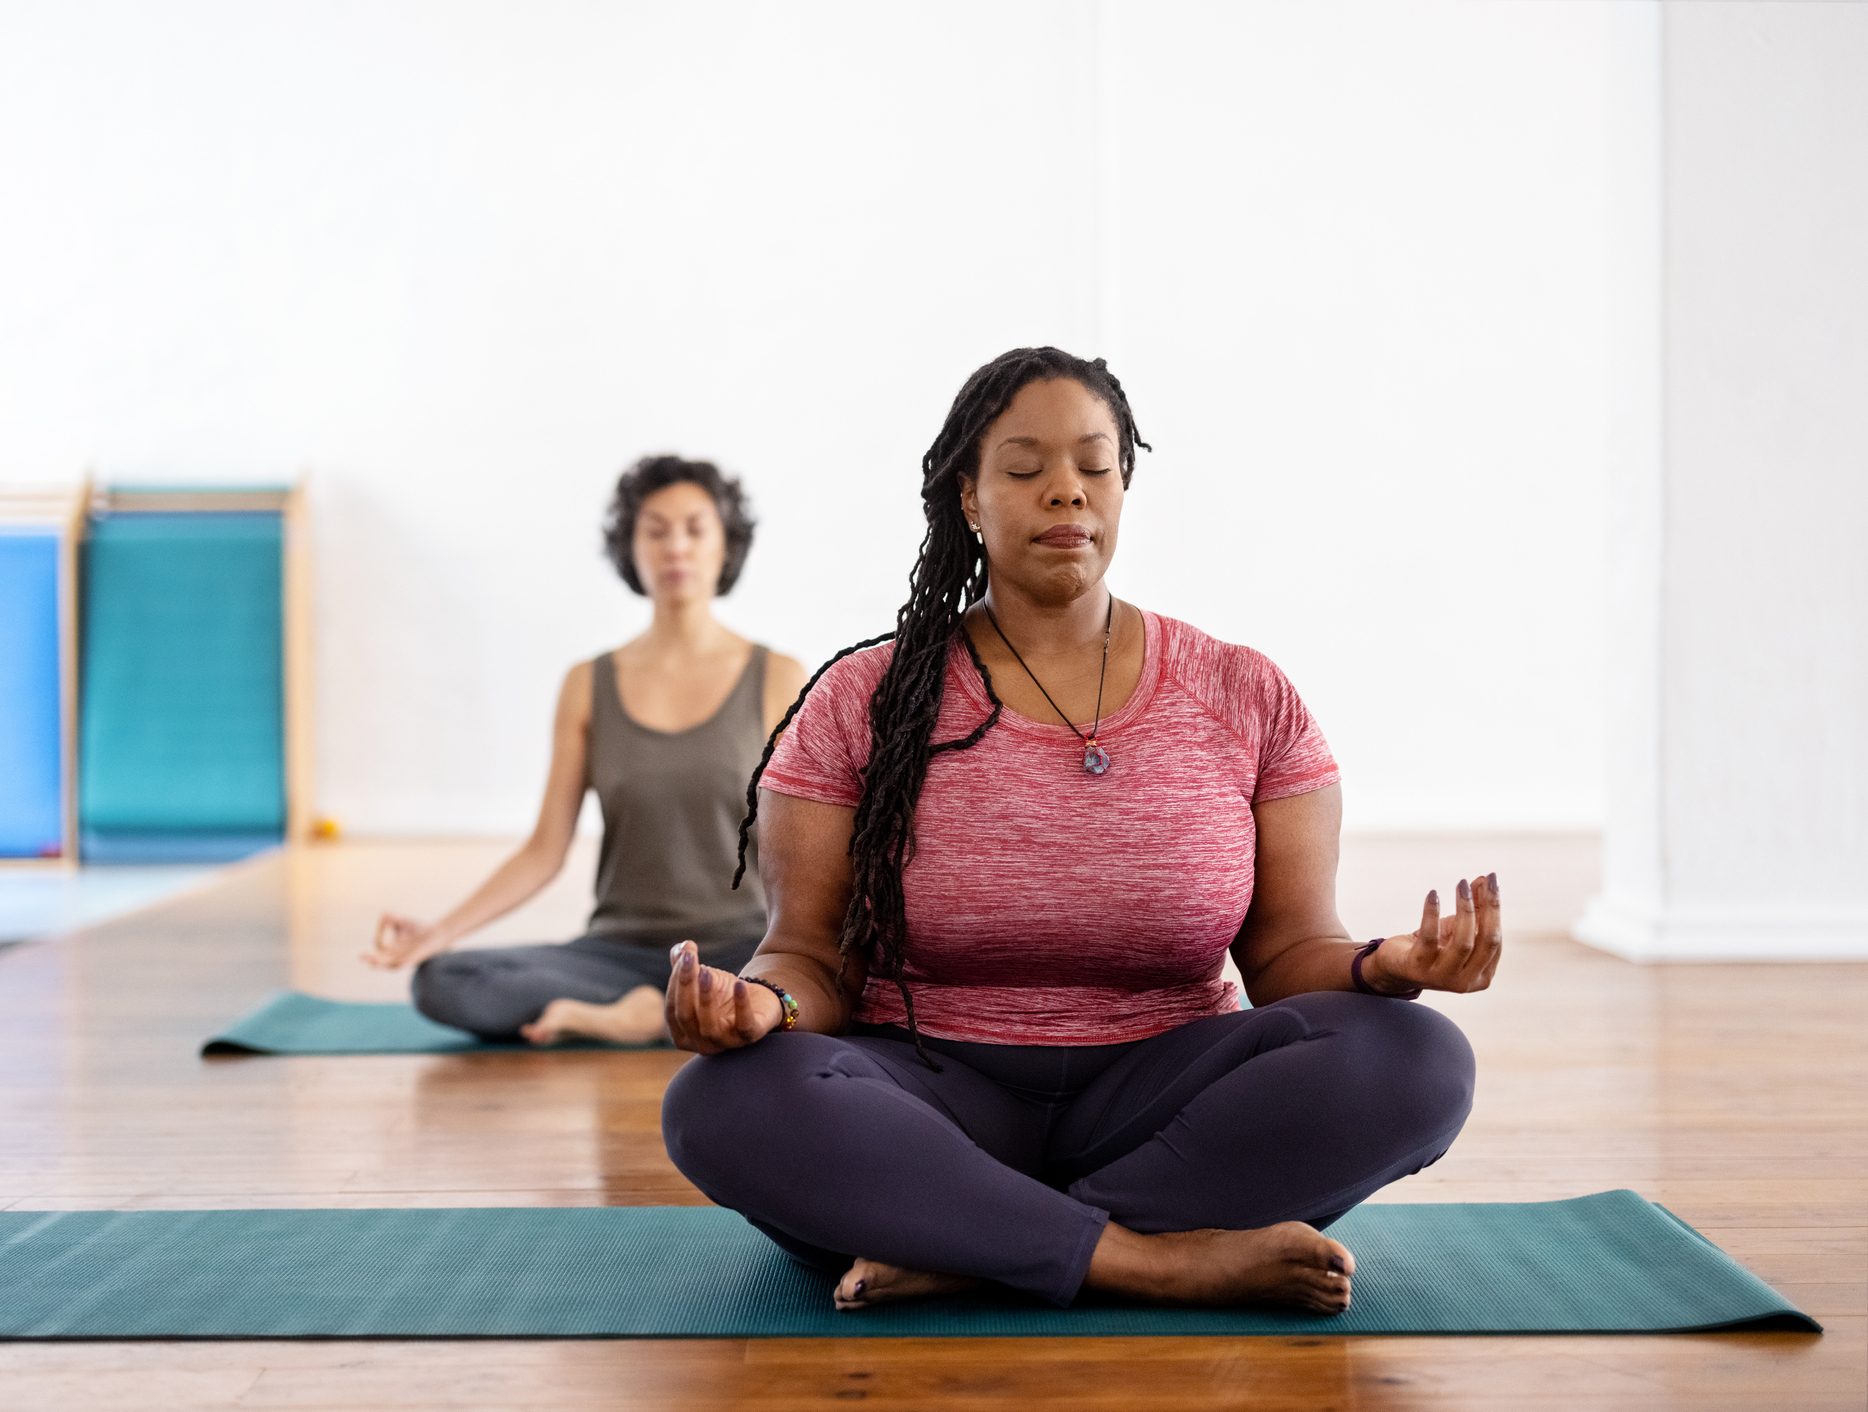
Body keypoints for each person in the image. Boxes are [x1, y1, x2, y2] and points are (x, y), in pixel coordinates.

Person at [659, 347, 1495, 1314]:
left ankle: (973, 1243)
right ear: (969, 498)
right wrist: (766, 1008)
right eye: (1024, 469)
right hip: (933, 1091)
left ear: (1125, 486)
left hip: (1164, 1094)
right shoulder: (861, 700)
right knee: (721, 1100)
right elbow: (806, 954)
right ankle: (1154, 1260)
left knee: (1418, 1060)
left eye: (1095, 467)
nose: (1065, 492)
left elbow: (1288, 951)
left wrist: (1381, 968)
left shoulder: (1243, 691)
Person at [362, 455, 806, 1045]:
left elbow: (807, 842)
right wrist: (438, 933)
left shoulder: (777, 676)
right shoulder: (586, 685)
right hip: (614, 954)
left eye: (696, 529)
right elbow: (545, 850)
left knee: (820, 981)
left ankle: (660, 1011)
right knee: (447, 980)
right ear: (632, 549)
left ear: (726, 546)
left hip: (742, 943)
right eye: (656, 530)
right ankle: (651, 1010)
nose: (676, 546)